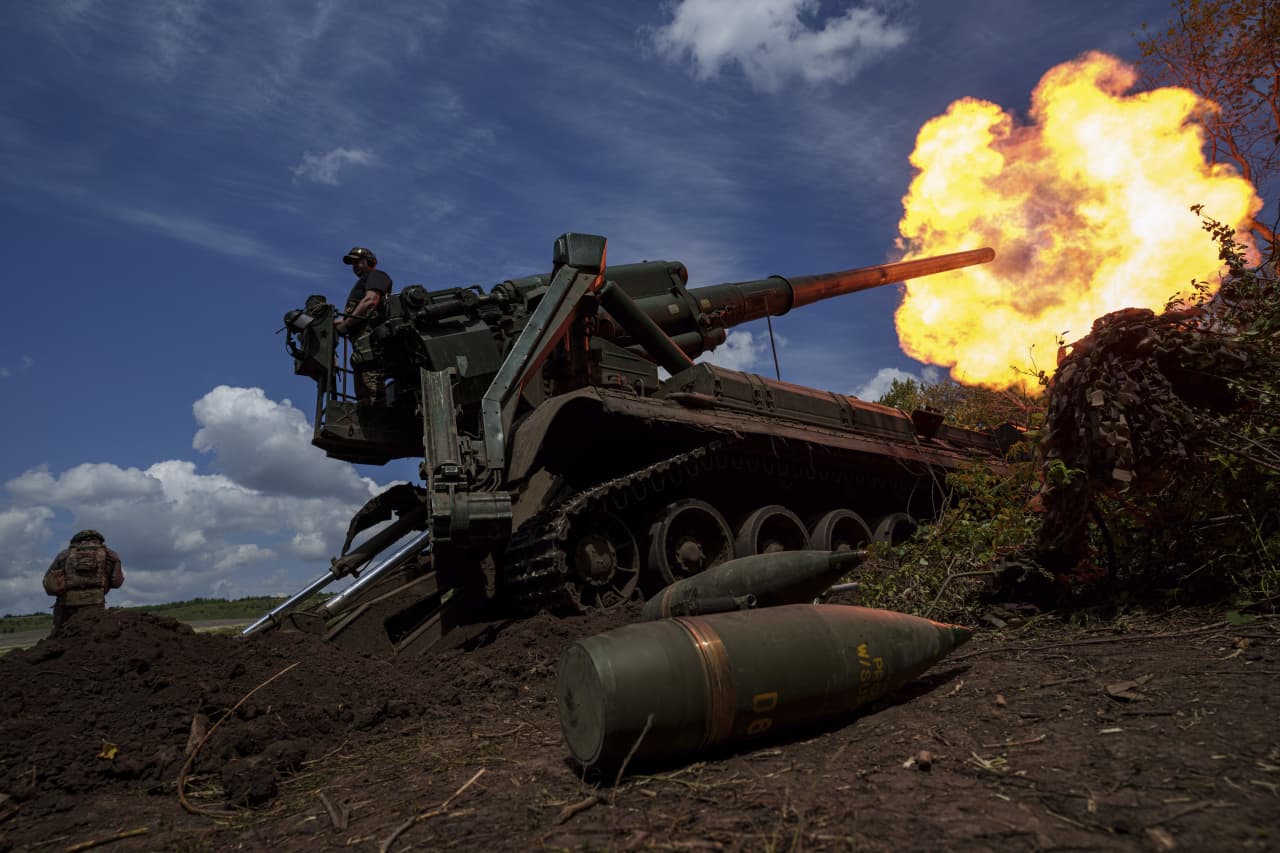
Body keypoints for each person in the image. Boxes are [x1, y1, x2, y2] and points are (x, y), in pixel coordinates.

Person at [334, 246, 393, 405]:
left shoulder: (376, 275)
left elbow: (370, 301)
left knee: (372, 386)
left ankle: (379, 418)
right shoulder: (360, 284)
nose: (354, 266)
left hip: (370, 342)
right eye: (352, 263)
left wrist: (346, 324)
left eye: (357, 262)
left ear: (370, 261)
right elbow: (350, 316)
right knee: (363, 392)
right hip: (360, 346)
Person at [42, 530, 124, 634]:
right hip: (95, 605)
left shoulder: (64, 555)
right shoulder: (111, 555)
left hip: (66, 605)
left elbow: (48, 582)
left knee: (60, 636)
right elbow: (117, 582)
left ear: (76, 541)